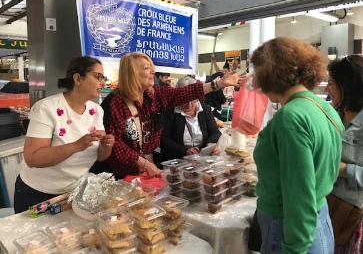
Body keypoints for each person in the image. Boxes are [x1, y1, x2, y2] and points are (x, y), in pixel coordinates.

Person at [250, 37, 344, 253]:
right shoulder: (323, 106)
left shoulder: (290, 118)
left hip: (290, 230)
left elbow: (298, 194)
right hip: (319, 218)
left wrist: (294, 249)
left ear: (268, 75)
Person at [95, 52, 245, 180]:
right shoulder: (114, 103)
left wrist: (217, 84)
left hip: (149, 167)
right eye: (147, 68)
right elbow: (114, 145)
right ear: (132, 73)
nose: (152, 72)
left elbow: (184, 92)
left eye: (152, 68)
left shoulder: (153, 94)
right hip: (122, 173)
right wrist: (144, 163)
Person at [14, 57, 114, 213]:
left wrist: (106, 146)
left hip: (74, 193)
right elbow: (33, 158)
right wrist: (76, 146)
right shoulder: (47, 108)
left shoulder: (97, 111)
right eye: (98, 76)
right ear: (78, 78)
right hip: (37, 194)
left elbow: (101, 156)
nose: (102, 82)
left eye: (103, 78)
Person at [324, 55, 363, 253]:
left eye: (331, 83)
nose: (326, 89)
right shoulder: (332, 115)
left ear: (348, 86)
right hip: (326, 203)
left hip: (352, 214)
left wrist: (345, 170)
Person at [160, 76, 221, 161]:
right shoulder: (169, 111)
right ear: (178, 97)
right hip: (176, 160)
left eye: (193, 100)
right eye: (185, 100)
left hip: (202, 159)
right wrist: (185, 150)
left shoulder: (205, 109)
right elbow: (163, 139)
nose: (189, 105)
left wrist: (210, 144)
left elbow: (215, 131)